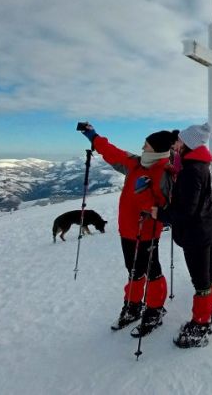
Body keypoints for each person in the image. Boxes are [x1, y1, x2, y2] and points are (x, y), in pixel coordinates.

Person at [81, 123, 176, 336]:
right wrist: (93, 137)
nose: (143, 147)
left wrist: (145, 201)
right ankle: (133, 306)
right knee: (133, 270)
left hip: (148, 231)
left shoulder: (165, 172)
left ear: (158, 150)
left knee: (152, 271)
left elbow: (166, 208)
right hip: (127, 229)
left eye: (147, 145)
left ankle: (154, 309)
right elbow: (112, 152)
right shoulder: (135, 163)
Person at [152, 122, 212, 348]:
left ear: (189, 144)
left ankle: (200, 325)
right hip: (208, 227)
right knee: (209, 275)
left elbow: (186, 211)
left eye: (179, 141)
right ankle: (209, 312)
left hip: (196, 234)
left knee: (200, 280)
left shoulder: (191, 171)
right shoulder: (199, 164)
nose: (175, 144)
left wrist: (160, 213)